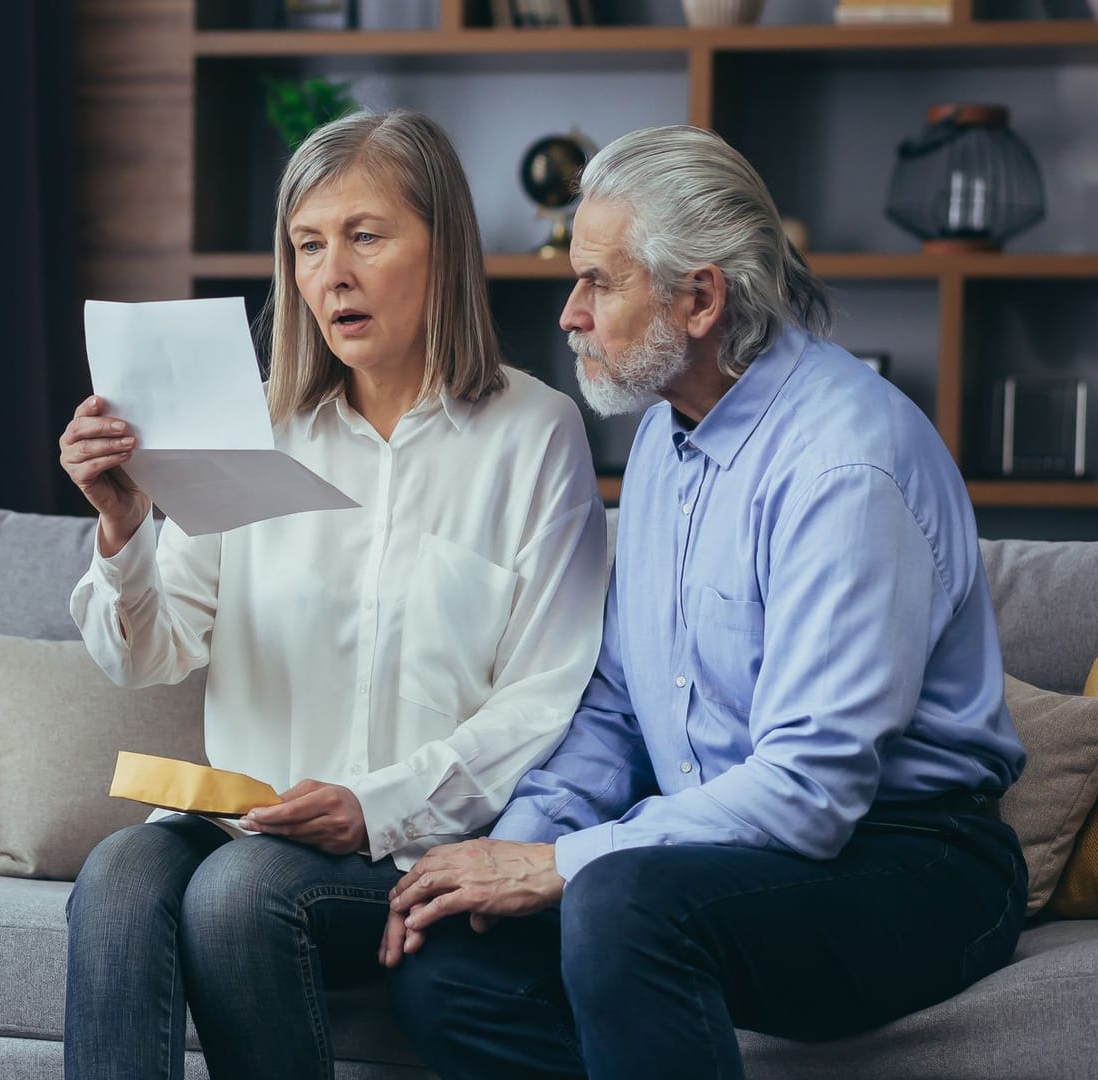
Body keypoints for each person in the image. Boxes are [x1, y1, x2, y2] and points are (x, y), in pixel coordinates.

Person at [378, 125, 1031, 1080]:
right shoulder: (661, 438)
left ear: (699, 298)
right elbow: (611, 704)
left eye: (599, 283)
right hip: (726, 853)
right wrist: (506, 856)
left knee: (618, 904)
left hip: (913, 862)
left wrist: (561, 867)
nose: (568, 314)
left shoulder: (844, 466)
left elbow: (812, 793)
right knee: (450, 958)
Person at [57, 109, 611, 1080]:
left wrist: (373, 805)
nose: (332, 273)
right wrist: (123, 526)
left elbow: (546, 695)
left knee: (236, 898)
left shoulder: (536, 433)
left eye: (365, 236)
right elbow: (148, 651)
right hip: (245, 820)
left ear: (443, 246)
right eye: (309, 245)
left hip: (401, 846)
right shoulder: (256, 426)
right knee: (117, 876)